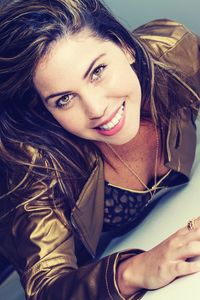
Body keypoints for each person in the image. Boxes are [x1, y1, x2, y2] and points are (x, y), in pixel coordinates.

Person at [0, 0, 200, 299]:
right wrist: (134, 270)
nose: (96, 109)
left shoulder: (173, 53)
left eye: (97, 71)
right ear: (45, 108)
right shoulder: (35, 163)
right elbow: (46, 287)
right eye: (64, 99)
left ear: (125, 47)